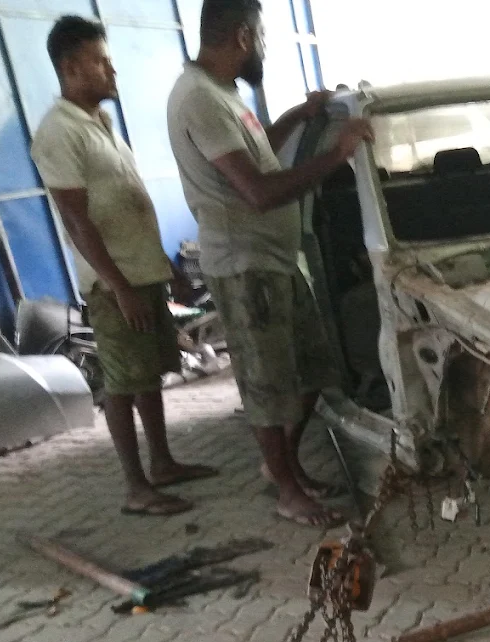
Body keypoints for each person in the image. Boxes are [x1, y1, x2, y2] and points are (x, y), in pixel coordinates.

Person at [167, 0, 373, 526]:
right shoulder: (199, 99)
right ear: (242, 36)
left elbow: (259, 156)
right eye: (261, 36)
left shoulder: (222, 94)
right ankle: (286, 490)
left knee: (314, 370)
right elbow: (258, 192)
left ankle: (284, 468)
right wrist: (338, 154)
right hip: (245, 266)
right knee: (267, 385)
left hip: (273, 261)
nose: (264, 47)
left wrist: (297, 116)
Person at [32, 15, 217, 515]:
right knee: (122, 383)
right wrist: (118, 287)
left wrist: (162, 269)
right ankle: (137, 489)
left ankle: (163, 463)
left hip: (142, 274)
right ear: (71, 68)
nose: (113, 71)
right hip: (115, 287)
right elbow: (76, 221)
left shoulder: (101, 125)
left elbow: (125, 202)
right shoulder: (58, 132)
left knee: (148, 374)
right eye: (102, 62)